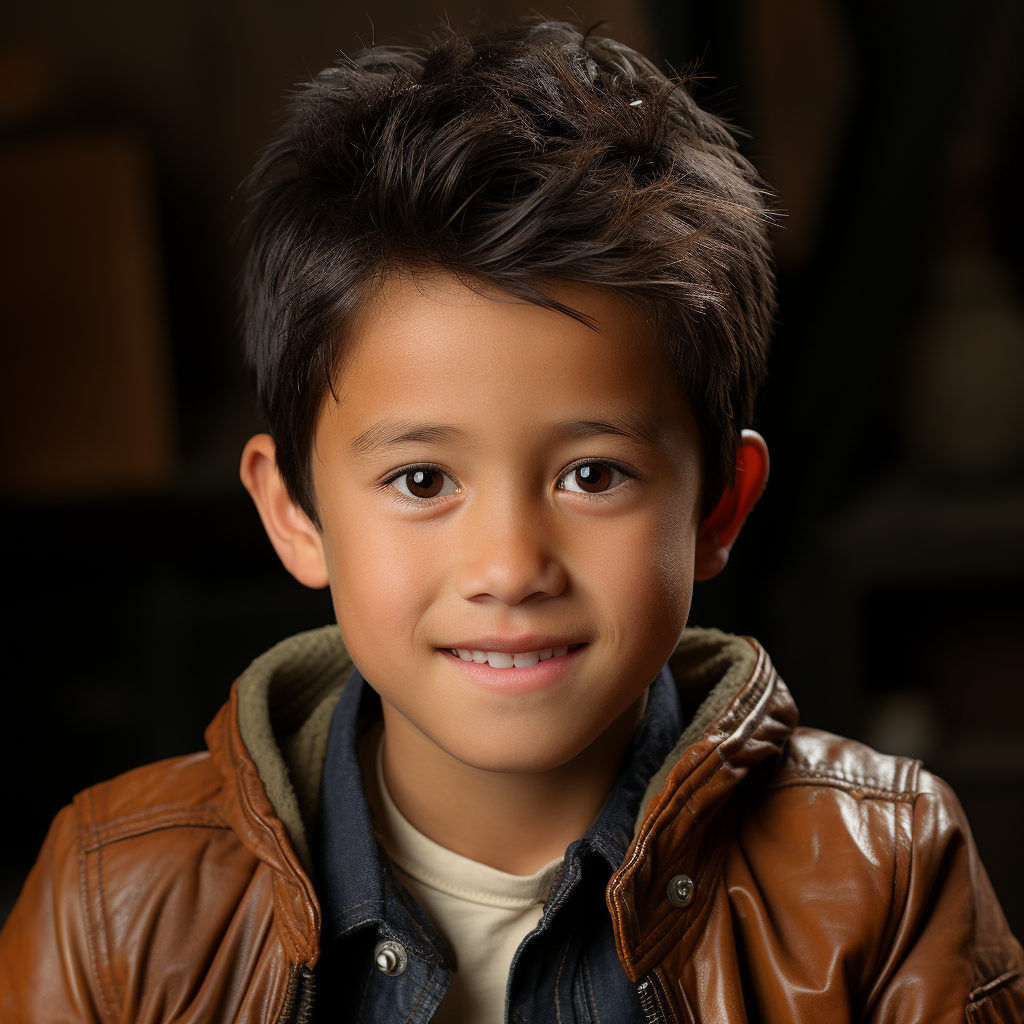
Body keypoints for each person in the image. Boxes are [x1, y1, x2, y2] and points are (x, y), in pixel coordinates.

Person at [1, 17, 1021, 1024]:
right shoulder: (109, 902)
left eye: (591, 473)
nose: (509, 565)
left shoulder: (880, 876)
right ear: (294, 512)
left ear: (720, 505)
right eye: (420, 480)